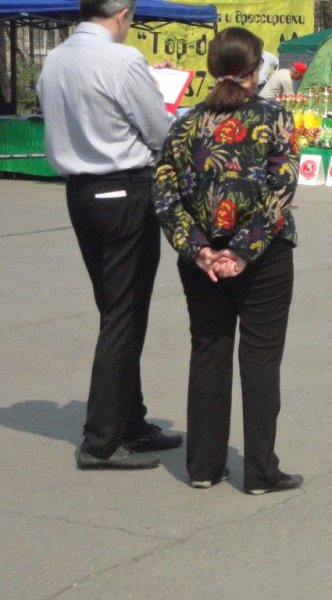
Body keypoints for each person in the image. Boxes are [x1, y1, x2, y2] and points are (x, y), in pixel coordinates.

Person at [152, 27, 303, 494]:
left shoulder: (185, 123)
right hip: (265, 255)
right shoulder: (274, 117)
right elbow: (281, 188)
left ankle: (203, 466)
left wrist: (198, 248)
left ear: (213, 68)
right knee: (260, 358)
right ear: (256, 70)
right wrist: (241, 249)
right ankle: (259, 471)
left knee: (209, 351)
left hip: (202, 259)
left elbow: (164, 192)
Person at [36, 0, 183, 470]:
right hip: (123, 189)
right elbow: (160, 130)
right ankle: (102, 440)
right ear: (122, 15)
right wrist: (163, 96)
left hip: (81, 191)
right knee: (123, 314)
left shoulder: (55, 59)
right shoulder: (122, 59)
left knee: (117, 308)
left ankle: (129, 421)